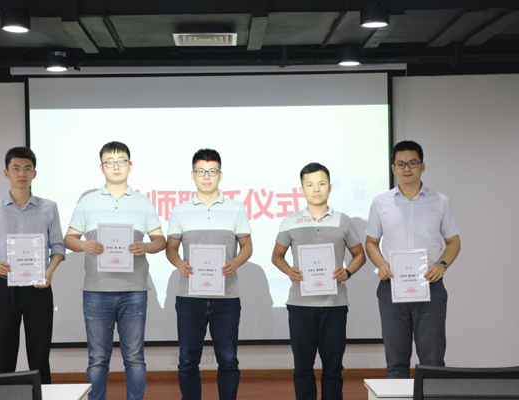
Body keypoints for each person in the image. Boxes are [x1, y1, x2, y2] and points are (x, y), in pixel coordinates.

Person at [64, 141, 166, 400]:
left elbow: (160, 241)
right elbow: (69, 239)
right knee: (98, 359)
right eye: (110, 162)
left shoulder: (143, 202)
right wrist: (85, 245)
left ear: (130, 165)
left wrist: (146, 246)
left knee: (135, 358)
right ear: (102, 167)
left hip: (134, 290)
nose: (116, 166)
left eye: (121, 161)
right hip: (97, 290)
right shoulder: (88, 202)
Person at [365, 140, 461, 379]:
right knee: (396, 362)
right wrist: (381, 265)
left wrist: (442, 265)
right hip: (392, 287)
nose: (406, 168)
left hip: (430, 287)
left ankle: (432, 395)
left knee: (433, 360)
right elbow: (371, 242)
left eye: (412, 163)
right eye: (401, 164)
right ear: (393, 168)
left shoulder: (440, 201)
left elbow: (454, 242)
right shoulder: (381, 202)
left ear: (422, 166)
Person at [272, 162, 366, 400]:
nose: (316, 189)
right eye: (310, 184)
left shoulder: (343, 220)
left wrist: (348, 272)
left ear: (330, 187)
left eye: (321, 183)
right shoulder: (290, 221)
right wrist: (289, 271)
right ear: (302, 189)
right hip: (300, 306)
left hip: (334, 306)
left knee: (333, 368)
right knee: (302, 368)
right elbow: (277, 256)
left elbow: (359, 255)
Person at [166, 148, 253, 400]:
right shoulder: (180, 210)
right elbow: (171, 249)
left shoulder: (236, 208)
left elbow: (247, 246)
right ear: (192, 175)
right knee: (187, 360)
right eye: (201, 171)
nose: (206, 176)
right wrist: (179, 263)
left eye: (212, 171)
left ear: (220, 175)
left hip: (227, 297)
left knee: (228, 359)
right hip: (189, 297)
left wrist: (235, 262)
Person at [0, 146, 65, 384]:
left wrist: (50, 271)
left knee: (40, 357)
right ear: (7, 173)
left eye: (27, 168)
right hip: (6, 288)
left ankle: (43, 396)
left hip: (39, 289)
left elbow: (58, 247)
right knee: (3, 356)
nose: (22, 173)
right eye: (16, 168)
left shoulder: (49, 207)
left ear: (35, 173)